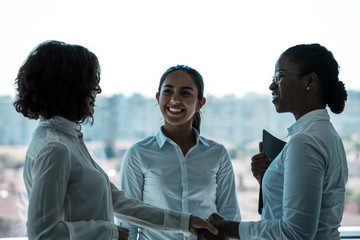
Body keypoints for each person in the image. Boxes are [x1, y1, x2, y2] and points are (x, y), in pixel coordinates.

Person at [13, 40, 219, 240]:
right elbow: (42, 234)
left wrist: (185, 222)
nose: (98, 90)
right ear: (69, 87)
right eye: (91, 83)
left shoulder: (69, 140)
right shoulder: (55, 147)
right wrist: (108, 232)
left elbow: (119, 202)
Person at [198, 43, 349, 240]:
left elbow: (296, 233)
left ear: (309, 80)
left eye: (279, 76)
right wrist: (270, 180)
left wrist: (229, 229)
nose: (271, 85)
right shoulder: (325, 134)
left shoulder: (305, 141)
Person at [117, 65, 241, 239]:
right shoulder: (138, 154)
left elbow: (230, 215)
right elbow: (127, 219)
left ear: (200, 103)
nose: (174, 100)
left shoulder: (217, 154)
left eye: (185, 93)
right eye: (168, 92)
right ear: (158, 97)